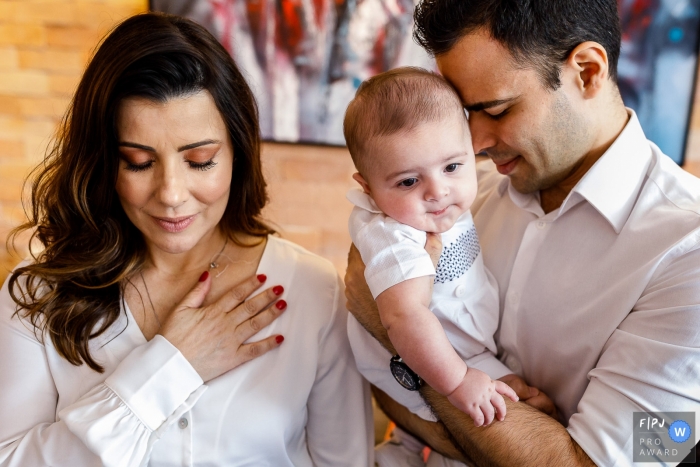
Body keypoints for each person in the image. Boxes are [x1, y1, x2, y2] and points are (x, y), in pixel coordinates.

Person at [0, 13, 372, 467]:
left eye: (200, 160)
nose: (171, 194)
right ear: (104, 163)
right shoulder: (37, 294)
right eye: (138, 162)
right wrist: (171, 368)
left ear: (238, 152)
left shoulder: (313, 290)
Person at [345, 0, 700, 466]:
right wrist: (503, 435)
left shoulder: (687, 251)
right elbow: (383, 389)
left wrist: (391, 326)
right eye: (466, 113)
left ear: (588, 72)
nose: (473, 143)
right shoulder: (464, 201)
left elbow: (616, 460)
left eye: (496, 109)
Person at [343, 67, 518, 428]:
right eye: (409, 181)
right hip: (421, 360)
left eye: (452, 166)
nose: (437, 191)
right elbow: (404, 317)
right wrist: (457, 381)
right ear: (368, 189)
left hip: (465, 346)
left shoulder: (444, 203)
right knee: (477, 424)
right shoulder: (394, 235)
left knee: (521, 398)